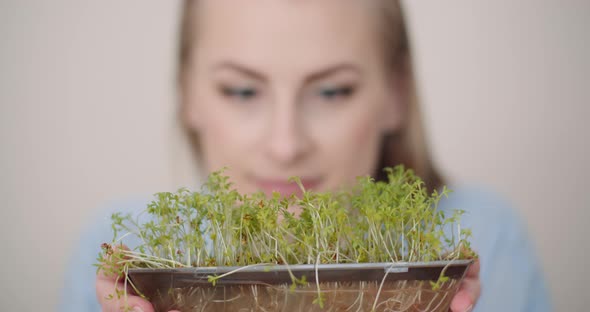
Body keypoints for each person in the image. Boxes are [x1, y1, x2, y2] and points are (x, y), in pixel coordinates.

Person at [60, 0, 551, 311]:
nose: (286, 145)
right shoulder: (125, 258)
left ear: (396, 94)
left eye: (333, 92)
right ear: (186, 93)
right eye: (242, 91)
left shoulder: (482, 243)